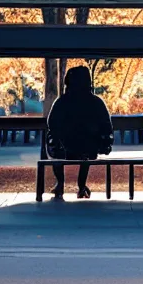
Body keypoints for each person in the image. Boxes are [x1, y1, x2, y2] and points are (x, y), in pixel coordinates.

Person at [47, 66, 113, 199]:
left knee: (56, 145)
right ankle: (82, 185)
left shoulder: (62, 102)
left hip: (65, 148)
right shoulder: (96, 102)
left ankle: (60, 183)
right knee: (86, 149)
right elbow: (106, 125)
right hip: (90, 148)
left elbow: (51, 123)